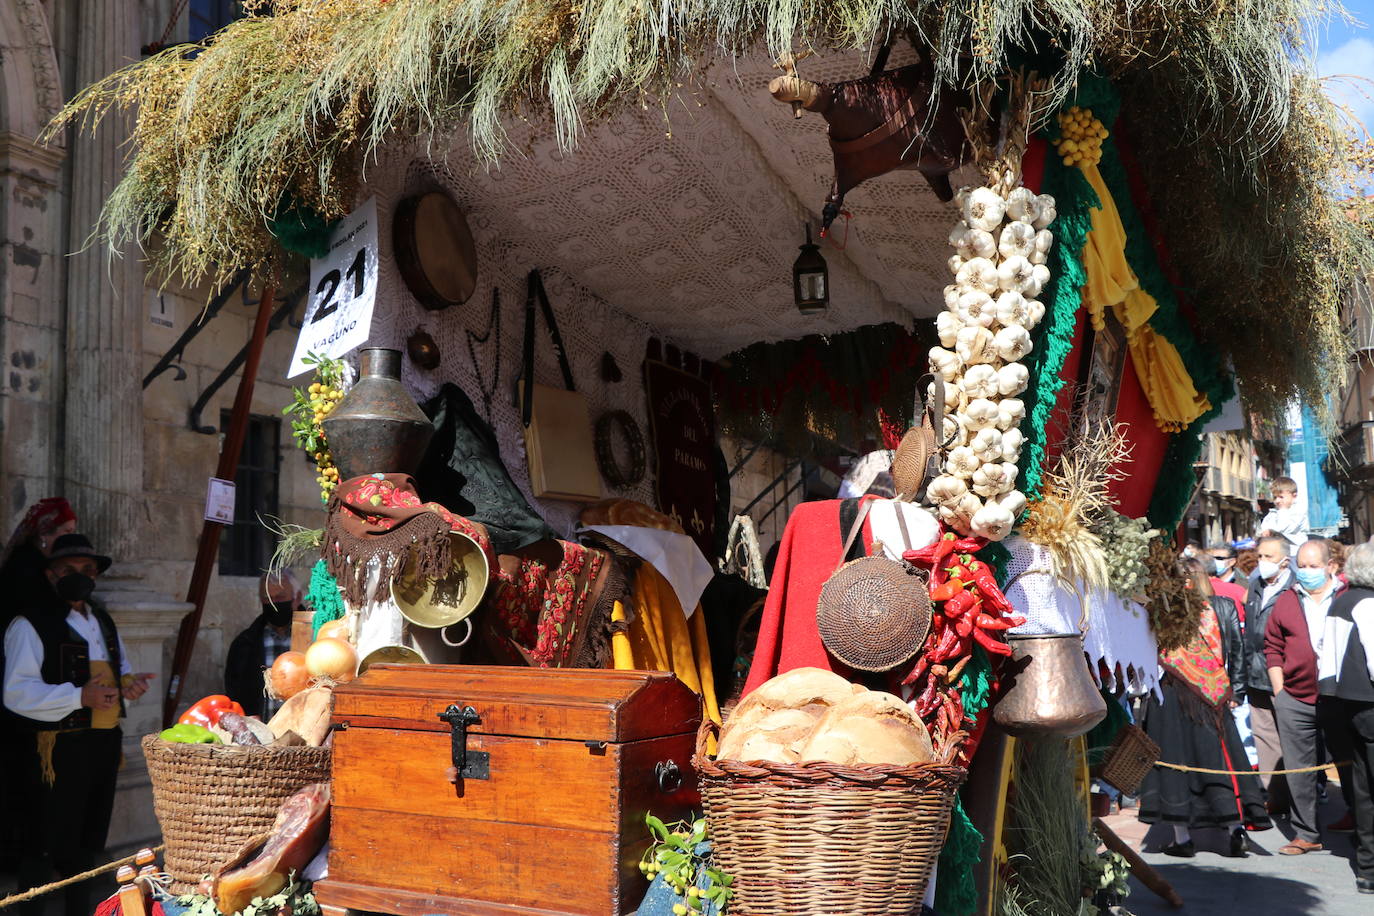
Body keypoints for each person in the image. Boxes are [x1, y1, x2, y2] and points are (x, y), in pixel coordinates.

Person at [2, 534, 154, 916]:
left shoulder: (101, 619)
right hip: (55, 751)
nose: (80, 576)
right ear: (51, 575)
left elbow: (120, 669)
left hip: (102, 745)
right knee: (43, 841)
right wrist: (78, 697)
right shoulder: (30, 624)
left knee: (88, 841)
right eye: (69, 570)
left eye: (87, 570)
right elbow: (16, 693)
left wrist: (128, 685)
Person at [1138, 557, 1268, 857]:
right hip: (1212, 692)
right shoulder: (1215, 606)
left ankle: (1182, 839)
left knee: (1175, 761)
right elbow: (1234, 647)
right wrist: (1233, 687)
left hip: (1171, 693)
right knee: (1222, 760)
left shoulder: (1159, 610)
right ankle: (1235, 828)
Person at [1263, 538, 1355, 853]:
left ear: (1331, 566)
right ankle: (1306, 834)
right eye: (1301, 566)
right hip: (1296, 698)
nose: (1306, 572)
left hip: (1340, 697)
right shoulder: (1287, 599)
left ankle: (1358, 819)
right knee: (1298, 768)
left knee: (1349, 761)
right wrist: (1280, 692)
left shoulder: (1347, 596)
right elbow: (1272, 646)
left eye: (1313, 566)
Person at [0, 498, 76, 876]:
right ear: (44, 533)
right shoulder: (26, 570)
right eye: (62, 533)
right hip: (24, 696)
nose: (66, 538)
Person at [1318, 539, 1374, 895]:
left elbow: (1326, 657)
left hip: (1343, 704)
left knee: (1363, 788)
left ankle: (1367, 867)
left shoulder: (1342, 601)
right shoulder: (1368, 604)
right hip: (1369, 703)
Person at [1243, 535, 1294, 814]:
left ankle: (1299, 798)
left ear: (1284, 561)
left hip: (1285, 678)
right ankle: (1274, 797)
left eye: (1269, 558)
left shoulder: (1295, 589)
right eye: (1260, 556)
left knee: (1292, 739)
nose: (1262, 563)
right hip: (1256, 676)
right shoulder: (1254, 587)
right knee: (1264, 738)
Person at [225, 570, 302, 718]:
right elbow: (234, 697)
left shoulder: (315, 635)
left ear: (296, 598)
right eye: (268, 599)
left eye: (280, 597)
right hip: (262, 735)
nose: (274, 604)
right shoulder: (244, 644)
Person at [0, 498, 77, 623]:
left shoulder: (43, 560)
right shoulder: (24, 565)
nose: (72, 537)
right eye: (67, 531)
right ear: (44, 533)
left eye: (73, 531)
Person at [1259, 476, 1307, 554]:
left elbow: (1284, 528)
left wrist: (1283, 510)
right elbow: (1264, 529)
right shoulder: (1273, 514)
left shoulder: (1298, 512)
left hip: (1295, 553)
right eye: (1275, 497)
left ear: (1294, 496)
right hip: (1276, 552)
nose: (1277, 501)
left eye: (1281, 497)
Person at [1207, 542, 1249, 619]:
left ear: (1232, 561)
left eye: (1219, 558)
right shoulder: (1206, 581)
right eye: (1212, 558)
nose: (1214, 562)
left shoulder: (1243, 584)